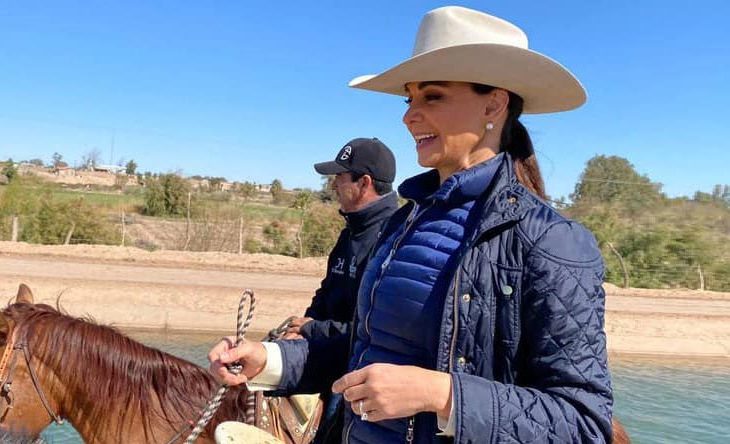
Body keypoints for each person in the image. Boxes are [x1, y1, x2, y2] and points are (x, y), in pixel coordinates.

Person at [210, 6, 613, 443]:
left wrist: (441, 394)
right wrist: (272, 361)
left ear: (494, 103)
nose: (409, 115)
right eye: (410, 98)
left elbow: (584, 422)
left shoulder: (551, 240)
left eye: (433, 96)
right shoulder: (405, 221)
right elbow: (363, 353)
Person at [283, 137, 399, 344]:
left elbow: (373, 330)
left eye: (339, 176)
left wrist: (313, 329)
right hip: (327, 351)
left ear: (364, 183)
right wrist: (300, 328)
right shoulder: (351, 230)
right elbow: (327, 291)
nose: (334, 185)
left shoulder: (394, 239)